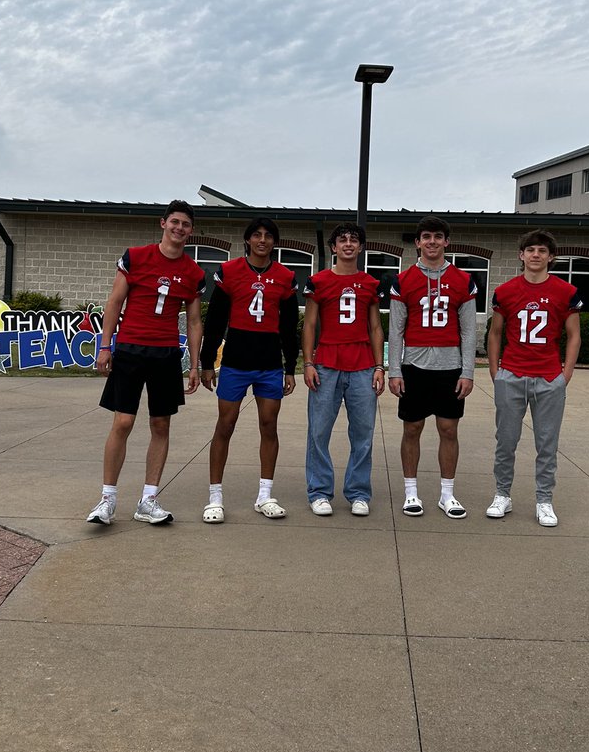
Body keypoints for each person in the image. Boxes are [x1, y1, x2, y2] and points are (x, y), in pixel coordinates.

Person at [86, 200, 205, 527]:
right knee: (122, 422)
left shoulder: (193, 272)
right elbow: (114, 301)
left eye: (185, 225)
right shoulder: (136, 257)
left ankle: (148, 499)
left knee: (160, 425)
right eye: (175, 222)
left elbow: (194, 322)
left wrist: (194, 364)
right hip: (130, 349)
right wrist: (104, 345)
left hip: (165, 353)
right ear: (163, 223)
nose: (179, 228)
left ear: (190, 231)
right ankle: (107, 499)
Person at [199, 217, 299, 523]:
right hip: (236, 362)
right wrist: (207, 362)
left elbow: (288, 326)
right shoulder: (229, 272)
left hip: (269, 363)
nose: (262, 240)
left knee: (269, 426)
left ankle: (264, 495)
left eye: (268, 235)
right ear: (247, 240)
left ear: (274, 242)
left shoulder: (284, 276)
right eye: (256, 235)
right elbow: (215, 319)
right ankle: (215, 497)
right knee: (225, 425)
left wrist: (290, 367)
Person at [486, 229, 582, 527]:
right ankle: (503, 494)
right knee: (506, 440)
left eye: (542, 250)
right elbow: (495, 332)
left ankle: (544, 500)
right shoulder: (506, 290)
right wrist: (495, 372)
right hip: (512, 373)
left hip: (548, 376)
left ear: (551, 256)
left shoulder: (566, 291)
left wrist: (565, 373)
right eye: (530, 250)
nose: (536, 255)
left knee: (547, 443)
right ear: (521, 255)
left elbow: (574, 335)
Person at [388, 216, 477, 518]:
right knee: (412, 428)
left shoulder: (463, 280)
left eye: (438, 236)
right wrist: (394, 370)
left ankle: (447, 494)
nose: (432, 242)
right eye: (426, 236)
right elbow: (395, 330)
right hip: (414, 364)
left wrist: (468, 371)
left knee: (448, 429)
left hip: (449, 366)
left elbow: (468, 331)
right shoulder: (403, 280)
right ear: (417, 242)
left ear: (446, 241)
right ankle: (411, 492)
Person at [302, 224, 385, 516]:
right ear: (333, 247)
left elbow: (375, 326)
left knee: (363, 433)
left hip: (362, 365)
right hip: (326, 363)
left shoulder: (371, 284)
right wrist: (309, 362)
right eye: (342, 240)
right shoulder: (318, 281)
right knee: (319, 432)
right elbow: (310, 323)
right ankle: (320, 491)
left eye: (354, 240)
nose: (348, 244)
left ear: (360, 247)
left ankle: (359, 492)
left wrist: (379, 366)